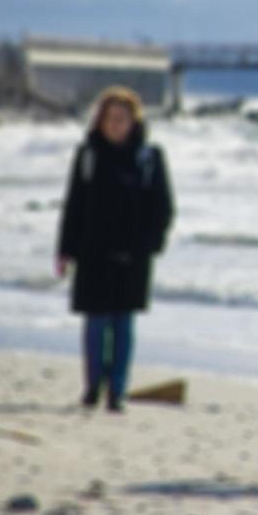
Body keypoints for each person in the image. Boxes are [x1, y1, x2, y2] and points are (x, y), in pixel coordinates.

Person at [55, 86, 174, 412]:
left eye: (122, 118)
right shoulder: (88, 155)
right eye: (110, 118)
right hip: (92, 253)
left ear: (134, 121)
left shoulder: (149, 157)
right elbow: (74, 205)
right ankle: (93, 388)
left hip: (133, 256)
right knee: (95, 323)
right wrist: (64, 250)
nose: (116, 124)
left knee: (123, 325)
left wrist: (153, 243)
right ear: (101, 120)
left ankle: (117, 392)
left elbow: (163, 206)